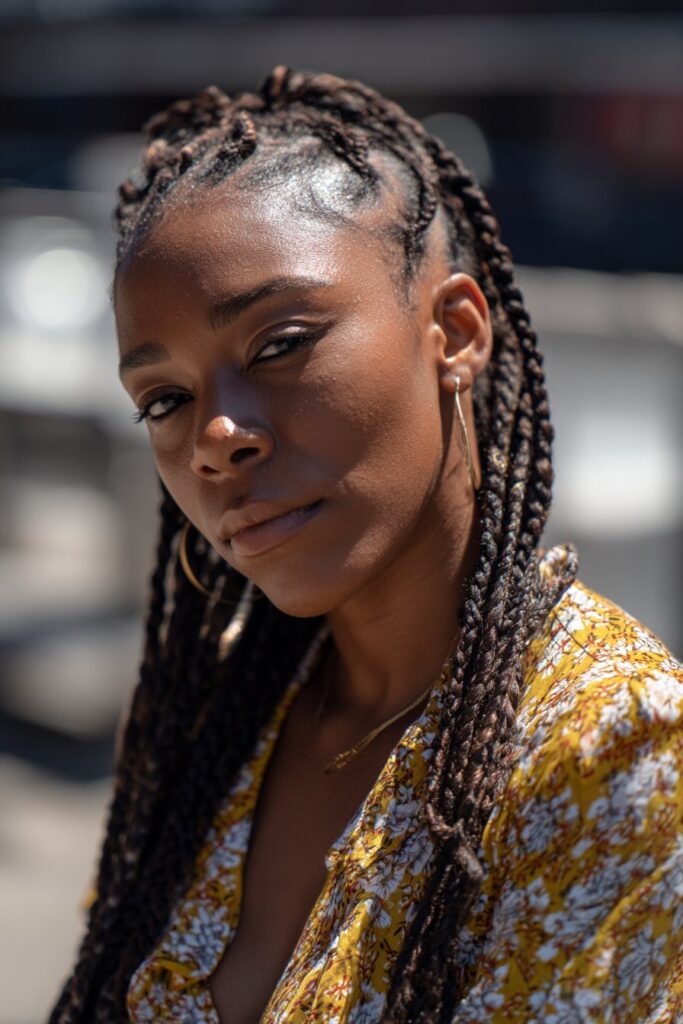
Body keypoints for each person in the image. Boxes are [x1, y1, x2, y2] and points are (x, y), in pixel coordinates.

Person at [50, 66, 683, 1024]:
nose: (217, 438)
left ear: (455, 333)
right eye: (166, 399)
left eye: (279, 343)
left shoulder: (612, 744)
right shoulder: (218, 710)